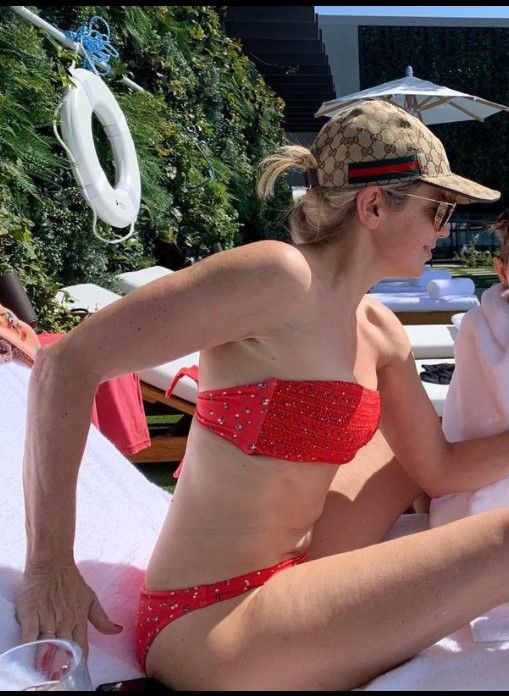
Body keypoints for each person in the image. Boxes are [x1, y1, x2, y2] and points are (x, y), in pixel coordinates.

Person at [14, 99, 509, 691]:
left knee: (404, 451)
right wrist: (49, 563)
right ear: (374, 206)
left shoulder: (380, 331)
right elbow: (64, 364)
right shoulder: (277, 277)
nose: (445, 229)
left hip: (299, 568)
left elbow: (440, 466)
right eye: (438, 209)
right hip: (210, 615)